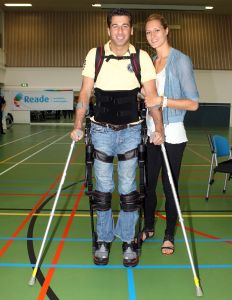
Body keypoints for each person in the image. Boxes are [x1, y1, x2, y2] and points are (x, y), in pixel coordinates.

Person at [71, 8, 164, 267]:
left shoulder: (141, 57)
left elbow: (152, 96)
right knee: (102, 190)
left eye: (125, 26)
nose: (120, 31)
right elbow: (85, 91)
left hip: (131, 132)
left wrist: (160, 129)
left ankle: (128, 240)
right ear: (108, 29)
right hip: (100, 131)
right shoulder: (96, 55)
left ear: (132, 30)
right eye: (115, 26)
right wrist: (78, 124)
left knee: (127, 191)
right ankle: (102, 240)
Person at [141, 13, 199, 255]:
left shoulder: (180, 60)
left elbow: (193, 103)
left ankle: (169, 235)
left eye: (156, 30)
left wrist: (161, 100)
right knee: (147, 185)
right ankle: (149, 227)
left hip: (173, 133)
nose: (152, 36)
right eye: (148, 32)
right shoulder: (151, 62)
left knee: (169, 186)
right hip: (150, 132)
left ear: (166, 31)